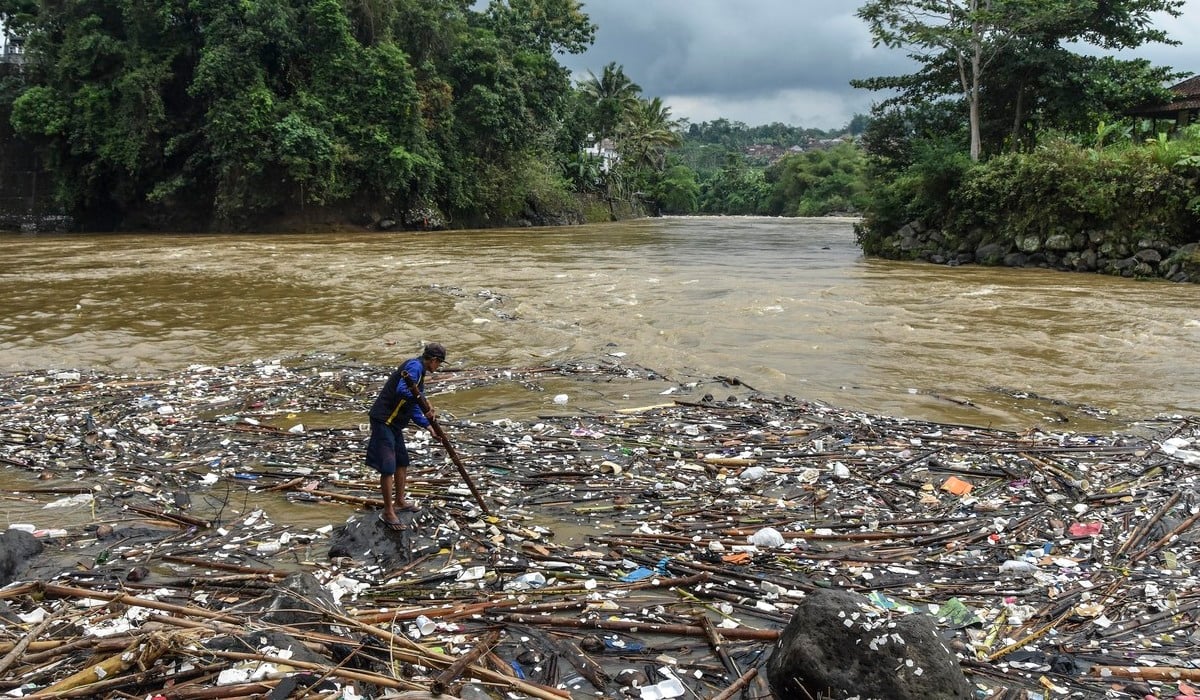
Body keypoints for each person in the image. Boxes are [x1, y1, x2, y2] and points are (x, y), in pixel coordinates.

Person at [366, 342, 446, 530]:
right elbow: (403, 390)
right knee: (388, 466)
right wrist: (423, 400)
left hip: (395, 423)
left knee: (402, 461)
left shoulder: (420, 374)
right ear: (433, 360)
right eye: (439, 363)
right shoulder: (414, 367)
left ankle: (400, 501)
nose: (438, 367)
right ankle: (388, 511)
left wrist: (429, 426)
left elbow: (414, 407)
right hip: (384, 420)